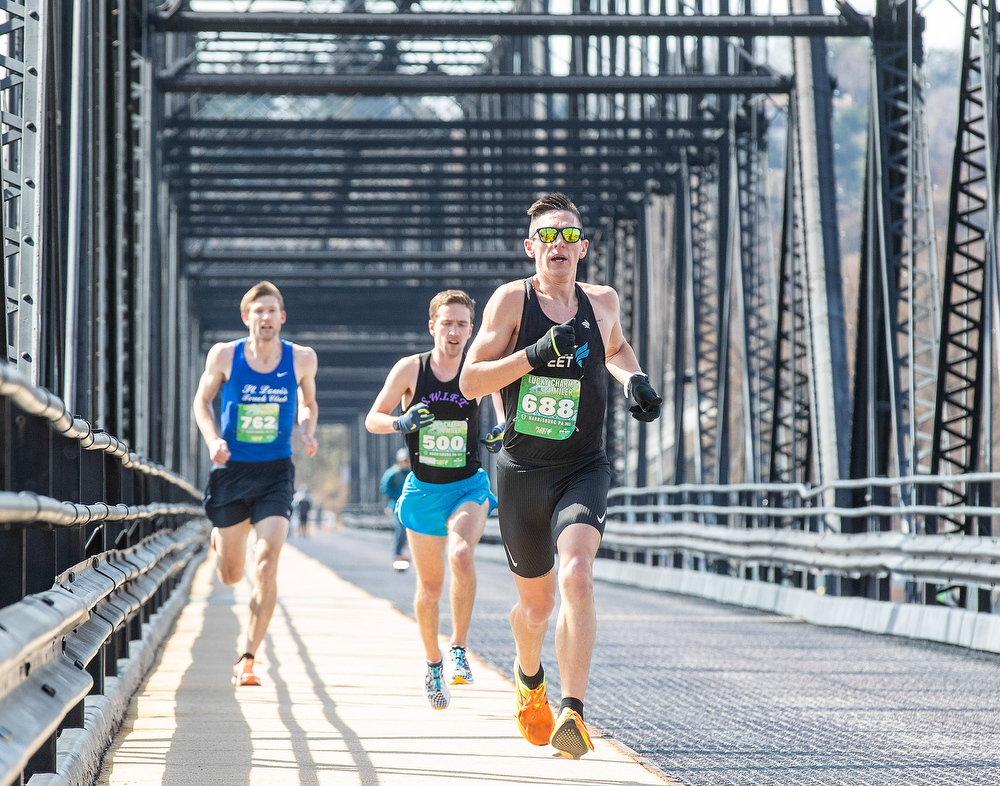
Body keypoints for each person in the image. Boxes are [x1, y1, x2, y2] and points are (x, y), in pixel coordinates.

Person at [460, 193, 662, 758]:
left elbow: (618, 349)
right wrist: (537, 352)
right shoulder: (509, 303)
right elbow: (471, 383)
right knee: (536, 608)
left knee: (577, 573)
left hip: (583, 465)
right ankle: (530, 680)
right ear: (531, 248)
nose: (560, 246)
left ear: (583, 248)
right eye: (549, 237)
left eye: (570, 236)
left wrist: (634, 380)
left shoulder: (601, 302)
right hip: (523, 471)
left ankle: (572, 712)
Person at [365, 289, 503, 710]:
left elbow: (502, 410)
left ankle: (459, 647)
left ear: (472, 329)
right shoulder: (411, 369)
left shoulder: (477, 368)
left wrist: (500, 433)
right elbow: (373, 419)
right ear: (433, 327)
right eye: (448, 323)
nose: (456, 331)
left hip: (467, 485)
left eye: (463, 324)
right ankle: (433, 662)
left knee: (461, 555)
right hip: (424, 490)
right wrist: (401, 421)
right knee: (430, 588)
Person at [193, 280, 319, 687]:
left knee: (266, 561)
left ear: (283, 317)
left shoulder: (301, 358)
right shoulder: (225, 355)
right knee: (231, 575)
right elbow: (201, 401)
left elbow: (309, 402)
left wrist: (308, 428)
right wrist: (213, 440)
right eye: (258, 311)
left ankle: (248, 657)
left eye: (273, 311)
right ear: (246, 317)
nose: (266, 318)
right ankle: (223, 540)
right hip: (232, 471)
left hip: (275, 473)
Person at [380, 448, 412, 571]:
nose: (407, 462)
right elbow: (384, 487)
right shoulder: (393, 473)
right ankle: (396, 555)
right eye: (404, 460)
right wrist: (395, 496)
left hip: (408, 507)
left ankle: (403, 553)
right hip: (395, 506)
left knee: (408, 531)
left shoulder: (410, 472)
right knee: (400, 530)